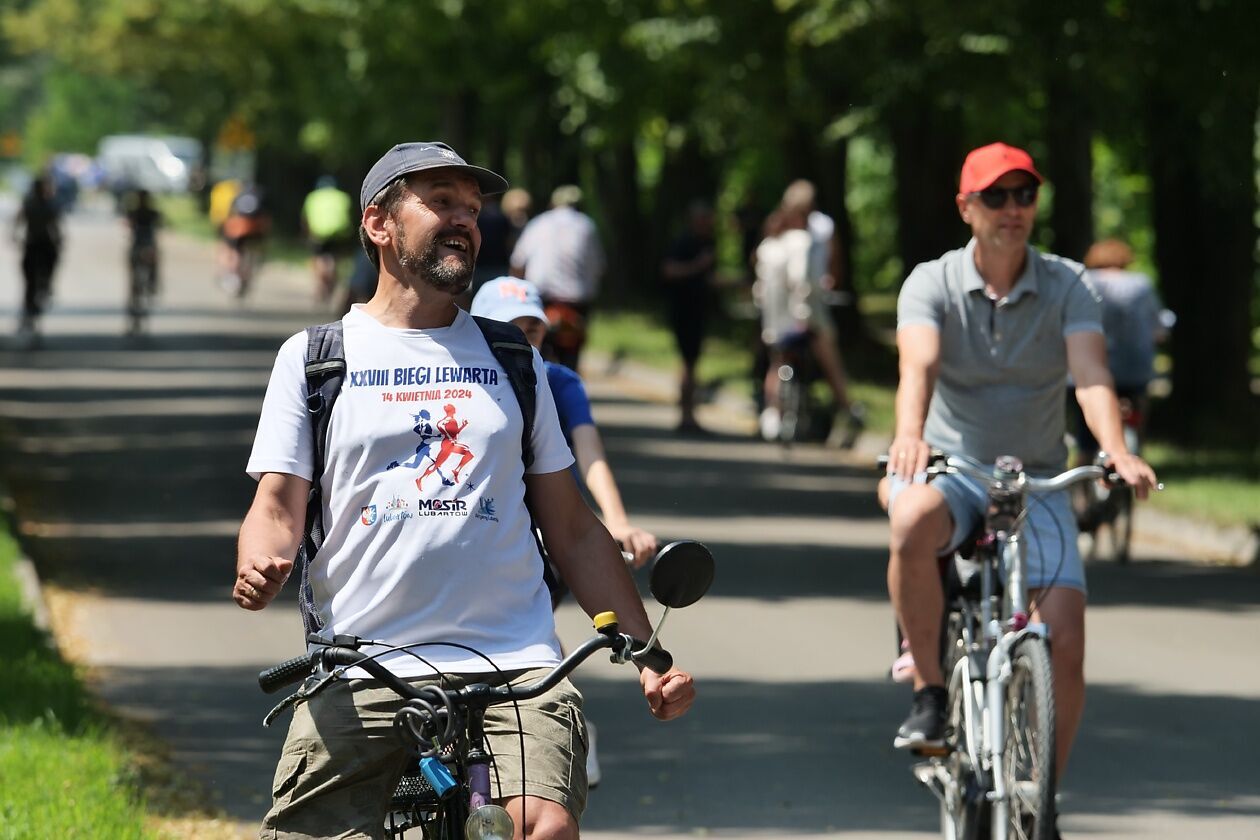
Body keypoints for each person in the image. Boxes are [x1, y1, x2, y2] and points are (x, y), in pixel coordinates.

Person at [235, 141, 694, 840]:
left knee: (540, 828)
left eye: (473, 210)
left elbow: (572, 529)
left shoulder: (513, 359)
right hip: (361, 669)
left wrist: (648, 656)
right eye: (441, 202)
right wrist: (259, 560)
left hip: (515, 667)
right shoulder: (316, 358)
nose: (464, 221)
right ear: (378, 224)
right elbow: (275, 507)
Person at [879, 142, 1158, 836]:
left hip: (1036, 477)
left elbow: (1090, 374)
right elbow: (919, 365)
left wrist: (1116, 450)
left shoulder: (1067, 282)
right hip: (954, 467)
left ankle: (1040, 803)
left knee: (1065, 640)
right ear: (966, 207)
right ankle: (930, 692)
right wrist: (910, 436)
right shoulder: (932, 282)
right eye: (996, 196)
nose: (1013, 209)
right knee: (909, 517)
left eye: (1024, 195)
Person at [470, 275, 661, 788]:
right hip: (477, 531)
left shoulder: (558, 381)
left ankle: (564, 722)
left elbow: (589, 451)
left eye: (533, 330)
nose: (523, 340)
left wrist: (616, 520)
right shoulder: (457, 379)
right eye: (508, 328)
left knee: (531, 630)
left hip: (544, 531)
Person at [753, 197, 862, 445]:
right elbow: (802, 280)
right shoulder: (802, 242)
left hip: (774, 322)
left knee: (777, 361)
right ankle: (847, 407)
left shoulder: (769, 246)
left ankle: (772, 412)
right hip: (803, 315)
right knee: (828, 355)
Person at [1068, 238, 1168, 461]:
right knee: (1137, 417)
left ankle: (1083, 472)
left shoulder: (1085, 281)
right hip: (1135, 369)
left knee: (1086, 436)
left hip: (1091, 369)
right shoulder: (1141, 284)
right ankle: (1135, 457)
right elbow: (1158, 325)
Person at [510, 184, 605, 370]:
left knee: (537, 356)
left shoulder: (538, 223)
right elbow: (598, 266)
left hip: (541, 300)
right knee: (571, 360)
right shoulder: (587, 226)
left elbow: (517, 262)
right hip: (576, 304)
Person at [660, 202, 717, 435]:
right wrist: (697, 266)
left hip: (699, 311)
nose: (709, 224)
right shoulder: (683, 242)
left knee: (693, 364)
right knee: (688, 363)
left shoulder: (708, 243)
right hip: (683, 312)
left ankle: (690, 414)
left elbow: (709, 278)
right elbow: (669, 270)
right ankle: (685, 415)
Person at [11, 171, 62, 340]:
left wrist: (15, 235)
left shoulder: (36, 204)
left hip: (37, 243)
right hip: (37, 243)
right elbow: (55, 227)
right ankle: (42, 292)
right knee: (32, 277)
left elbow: (18, 222)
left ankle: (45, 288)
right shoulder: (41, 204)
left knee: (35, 276)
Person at [300, 176, 355, 304]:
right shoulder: (343, 197)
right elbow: (349, 216)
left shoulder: (312, 197)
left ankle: (321, 283)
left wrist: (306, 233)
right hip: (339, 233)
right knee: (336, 258)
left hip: (319, 233)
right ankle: (332, 276)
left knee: (318, 258)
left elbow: (305, 219)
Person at [218, 182, 270, 297]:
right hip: (255, 230)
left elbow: (231, 213)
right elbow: (264, 217)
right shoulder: (259, 198)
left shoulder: (238, 197)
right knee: (254, 250)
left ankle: (233, 274)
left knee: (235, 251)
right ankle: (250, 271)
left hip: (238, 229)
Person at [123, 189, 162, 332]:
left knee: (134, 282)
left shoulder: (134, 212)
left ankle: (148, 287)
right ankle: (151, 286)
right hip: (147, 248)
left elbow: (127, 228)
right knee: (146, 276)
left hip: (140, 247)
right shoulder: (153, 213)